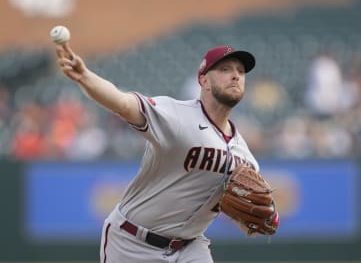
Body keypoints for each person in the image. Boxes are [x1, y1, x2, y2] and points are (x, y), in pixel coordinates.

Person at [55, 43, 269, 263]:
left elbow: (248, 220)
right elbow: (123, 103)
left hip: (190, 248)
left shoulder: (245, 157)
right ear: (203, 79)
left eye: (240, 71)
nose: (235, 76)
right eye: (225, 69)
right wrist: (85, 77)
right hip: (132, 243)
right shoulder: (176, 116)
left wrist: (265, 217)